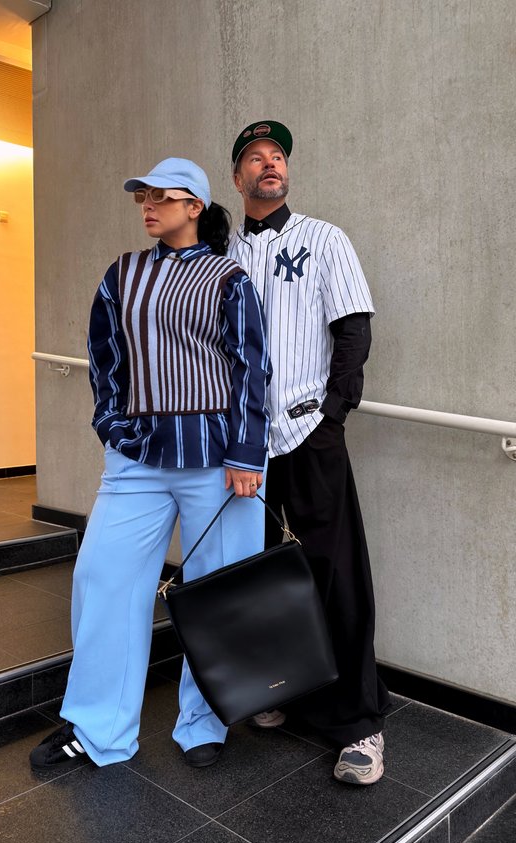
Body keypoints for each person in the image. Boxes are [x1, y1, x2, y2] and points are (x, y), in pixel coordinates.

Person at [30, 158, 271, 771]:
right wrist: (113, 429)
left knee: (220, 592)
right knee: (103, 580)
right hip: (136, 461)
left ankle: (205, 721)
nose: (148, 206)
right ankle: (98, 729)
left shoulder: (229, 278)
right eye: (143, 197)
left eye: (162, 196)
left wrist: (247, 452)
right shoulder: (122, 274)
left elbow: (252, 367)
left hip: (219, 464)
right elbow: (104, 357)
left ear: (194, 206)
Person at [228, 122, 390, 785]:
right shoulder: (223, 251)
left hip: (307, 433)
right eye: (255, 157)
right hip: (245, 445)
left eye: (278, 156)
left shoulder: (324, 238)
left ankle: (359, 723)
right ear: (237, 177)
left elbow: (353, 330)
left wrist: (333, 413)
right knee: (263, 575)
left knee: (335, 573)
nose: (270, 164)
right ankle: (280, 689)